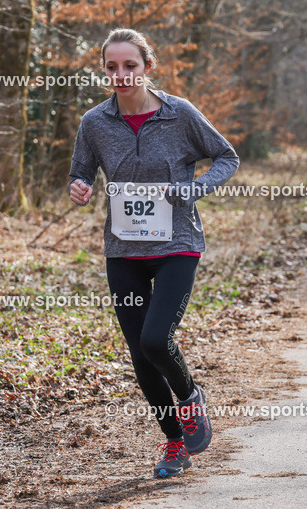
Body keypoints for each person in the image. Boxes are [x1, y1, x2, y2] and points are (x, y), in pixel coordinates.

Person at [68, 28, 240, 479]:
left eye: (130, 66)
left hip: (176, 246)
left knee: (154, 339)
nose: (121, 75)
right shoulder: (94, 123)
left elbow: (226, 156)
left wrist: (193, 189)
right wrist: (79, 186)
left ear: (147, 67)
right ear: (105, 70)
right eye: (112, 67)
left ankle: (189, 397)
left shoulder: (179, 114)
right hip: (124, 251)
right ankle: (174, 443)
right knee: (140, 356)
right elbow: (80, 172)